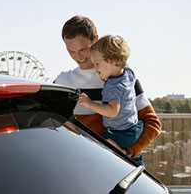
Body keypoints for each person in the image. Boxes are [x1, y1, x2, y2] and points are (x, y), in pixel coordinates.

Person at [54, 16, 161, 165]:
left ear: (96, 40)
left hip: (120, 166)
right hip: (82, 167)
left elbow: (152, 123)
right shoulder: (63, 82)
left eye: (83, 49)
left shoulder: (121, 76)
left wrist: (128, 152)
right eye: (71, 51)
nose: (78, 57)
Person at [77, 35, 143, 163]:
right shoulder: (128, 73)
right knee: (136, 161)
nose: (95, 69)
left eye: (97, 64)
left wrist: (89, 103)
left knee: (105, 151)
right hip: (134, 127)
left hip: (119, 133)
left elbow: (112, 111)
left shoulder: (113, 86)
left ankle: (120, 151)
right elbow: (121, 59)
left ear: (113, 61)